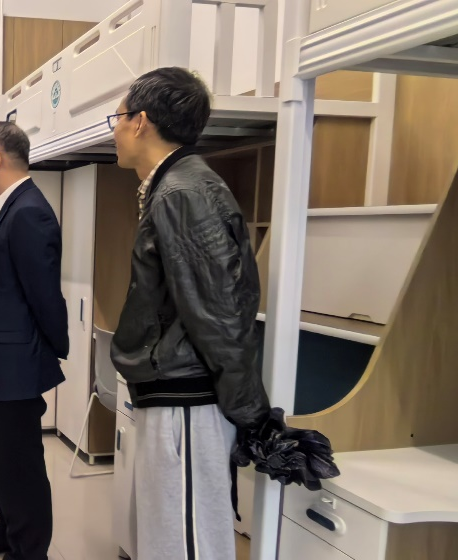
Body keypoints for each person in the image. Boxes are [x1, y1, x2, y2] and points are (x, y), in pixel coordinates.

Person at [108, 67, 270, 559]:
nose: (114, 129)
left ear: (140, 121)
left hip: (187, 400)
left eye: (117, 117)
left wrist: (251, 415)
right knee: (169, 534)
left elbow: (220, 316)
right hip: (177, 391)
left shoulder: (183, 193)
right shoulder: (174, 186)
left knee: (186, 541)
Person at [0, 122, 68, 560]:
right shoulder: (9, 206)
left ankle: (29, 549)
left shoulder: (28, 211)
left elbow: (44, 294)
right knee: (3, 459)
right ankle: (8, 528)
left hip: (13, 365)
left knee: (20, 463)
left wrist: (55, 347)